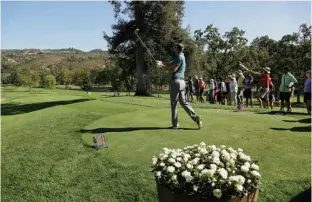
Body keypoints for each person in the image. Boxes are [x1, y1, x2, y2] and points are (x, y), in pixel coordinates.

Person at [159, 43, 202, 129]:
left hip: (176, 82)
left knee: (174, 104)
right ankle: (196, 117)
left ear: (177, 49)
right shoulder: (180, 56)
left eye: (175, 48)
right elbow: (170, 63)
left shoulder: (179, 57)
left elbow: (173, 69)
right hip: (182, 82)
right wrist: (161, 62)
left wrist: (162, 67)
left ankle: (175, 125)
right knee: (183, 102)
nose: (174, 49)